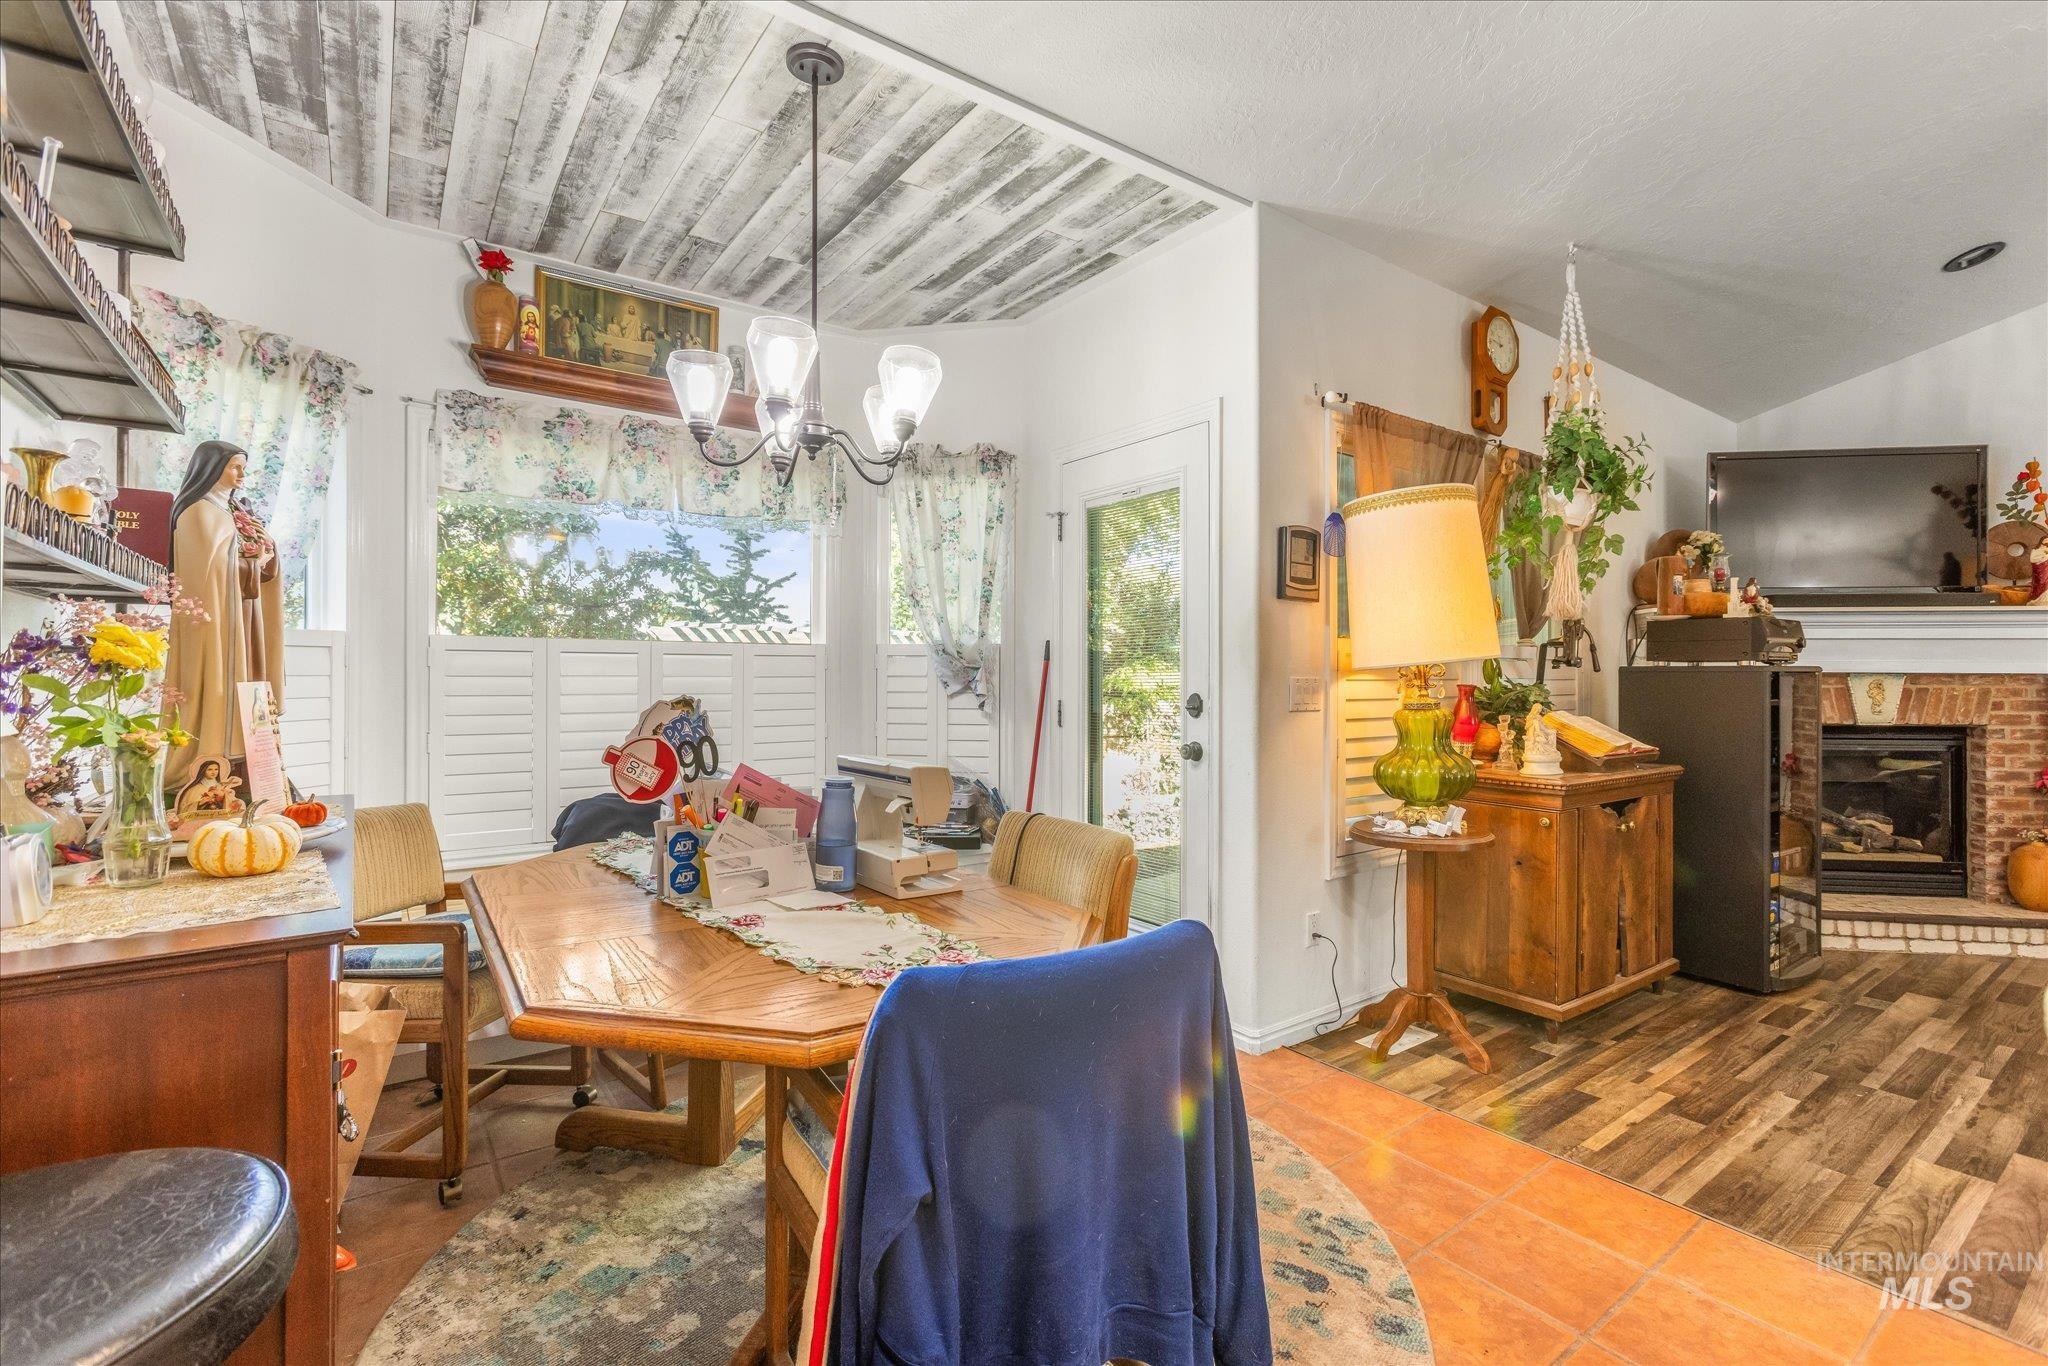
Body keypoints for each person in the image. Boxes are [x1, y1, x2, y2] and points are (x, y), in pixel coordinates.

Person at [163, 438, 284, 791]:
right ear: (211, 469)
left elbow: (249, 562)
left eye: (243, 467)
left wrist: (265, 556)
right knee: (212, 683)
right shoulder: (198, 512)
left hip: (242, 618)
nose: (241, 474)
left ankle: (248, 764)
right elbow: (207, 572)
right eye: (234, 467)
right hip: (216, 623)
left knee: (247, 683)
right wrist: (250, 562)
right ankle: (210, 763)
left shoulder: (231, 513)